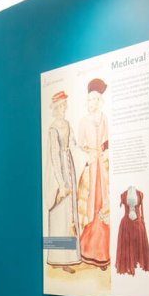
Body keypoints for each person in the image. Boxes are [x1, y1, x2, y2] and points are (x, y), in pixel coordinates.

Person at [45, 90, 81, 271]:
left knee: (69, 214)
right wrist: (60, 184)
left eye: (64, 106)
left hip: (69, 167)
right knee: (59, 214)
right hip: (60, 172)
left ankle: (68, 257)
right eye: (60, 106)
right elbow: (53, 155)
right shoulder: (53, 128)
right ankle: (57, 257)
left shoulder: (67, 124)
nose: (63, 109)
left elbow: (74, 144)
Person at [76, 78, 110, 268]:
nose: (92, 103)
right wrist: (89, 156)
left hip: (102, 168)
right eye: (89, 100)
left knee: (102, 205)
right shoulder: (83, 121)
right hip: (91, 167)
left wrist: (104, 153)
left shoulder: (104, 118)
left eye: (95, 100)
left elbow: (107, 140)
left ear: (99, 101)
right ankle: (87, 249)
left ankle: (102, 252)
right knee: (89, 205)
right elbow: (80, 144)